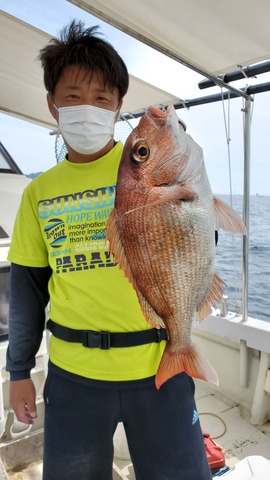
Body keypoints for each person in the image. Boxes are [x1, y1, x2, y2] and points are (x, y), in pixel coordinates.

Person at [6, 20, 212, 480]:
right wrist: (18, 371)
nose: (87, 108)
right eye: (73, 96)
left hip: (160, 365)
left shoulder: (150, 165)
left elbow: (199, 244)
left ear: (118, 106)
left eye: (102, 98)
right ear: (51, 103)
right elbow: (27, 291)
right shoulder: (38, 193)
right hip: (74, 377)